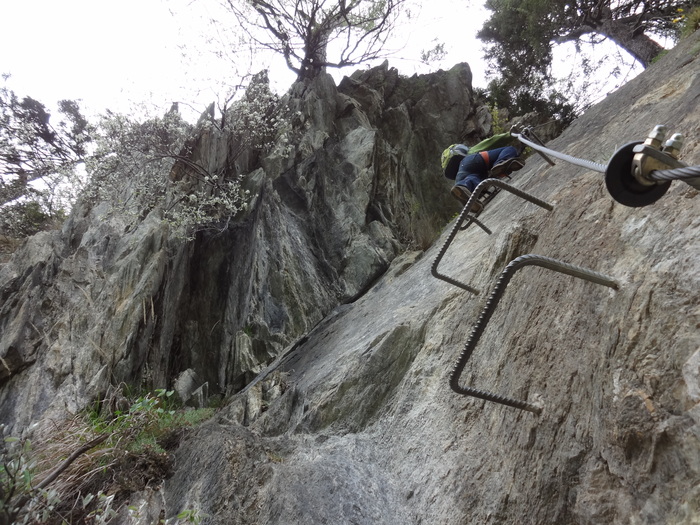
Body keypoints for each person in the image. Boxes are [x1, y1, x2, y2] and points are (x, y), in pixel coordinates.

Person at [441, 132, 525, 211]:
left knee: (472, 179)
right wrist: (510, 134)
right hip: (472, 161)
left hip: (459, 180)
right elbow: (491, 141)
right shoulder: (470, 152)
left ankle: (467, 191)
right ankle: (501, 164)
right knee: (509, 149)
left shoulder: (459, 174)